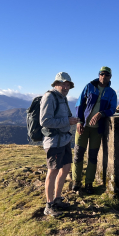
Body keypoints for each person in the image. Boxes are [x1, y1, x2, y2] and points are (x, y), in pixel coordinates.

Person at [72, 66, 117, 194]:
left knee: (92, 156)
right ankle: (76, 181)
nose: (104, 77)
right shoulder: (89, 87)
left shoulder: (111, 93)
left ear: (110, 77)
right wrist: (79, 121)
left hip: (97, 129)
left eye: (107, 75)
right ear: (99, 75)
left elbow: (112, 109)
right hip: (83, 127)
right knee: (78, 154)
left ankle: (89, 183)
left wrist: (101, 113)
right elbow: (79, 104)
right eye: (102, 74)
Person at [40, 72, 79, 217]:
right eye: (63, 83)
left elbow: (64, 117)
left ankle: (57, 199)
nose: (66, 86)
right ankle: (49, 205)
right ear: (56, 83)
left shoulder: (63, 98)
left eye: (68, 84)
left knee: (66, 167)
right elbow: (44, 121)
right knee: (53, 171)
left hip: (64, 140)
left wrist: (72, 119)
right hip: (54, 141)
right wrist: (67, 122)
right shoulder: (49, 97)